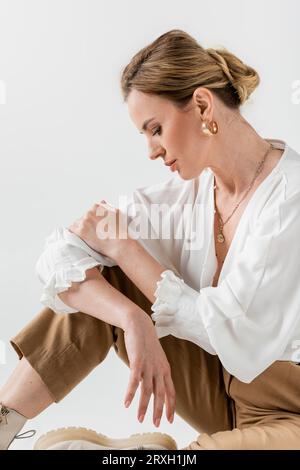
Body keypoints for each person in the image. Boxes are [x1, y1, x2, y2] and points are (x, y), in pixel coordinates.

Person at [1, 28, 300, 451]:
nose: (152, 151)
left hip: (289, 407)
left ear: (200, 104)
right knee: (107, 276)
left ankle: (140, 456)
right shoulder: (187, 196)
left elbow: (238, 335)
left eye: (155, 129)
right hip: (219, 391)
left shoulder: (290, 197)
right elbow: (60, 256)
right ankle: (3, 421)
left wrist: (127, 247)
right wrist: (131, 318)